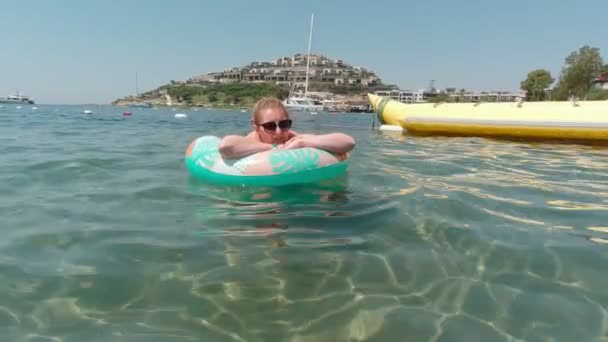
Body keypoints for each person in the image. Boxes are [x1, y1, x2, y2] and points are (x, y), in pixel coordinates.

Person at [218, 97, 355, 159]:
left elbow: (348, 142)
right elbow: (226, 147)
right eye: (270, 126)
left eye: (284, 125)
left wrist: (303, 142)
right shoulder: (252, 140)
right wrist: (271, 148)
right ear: (255, 125)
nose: (278, 132)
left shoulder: (292, 138)